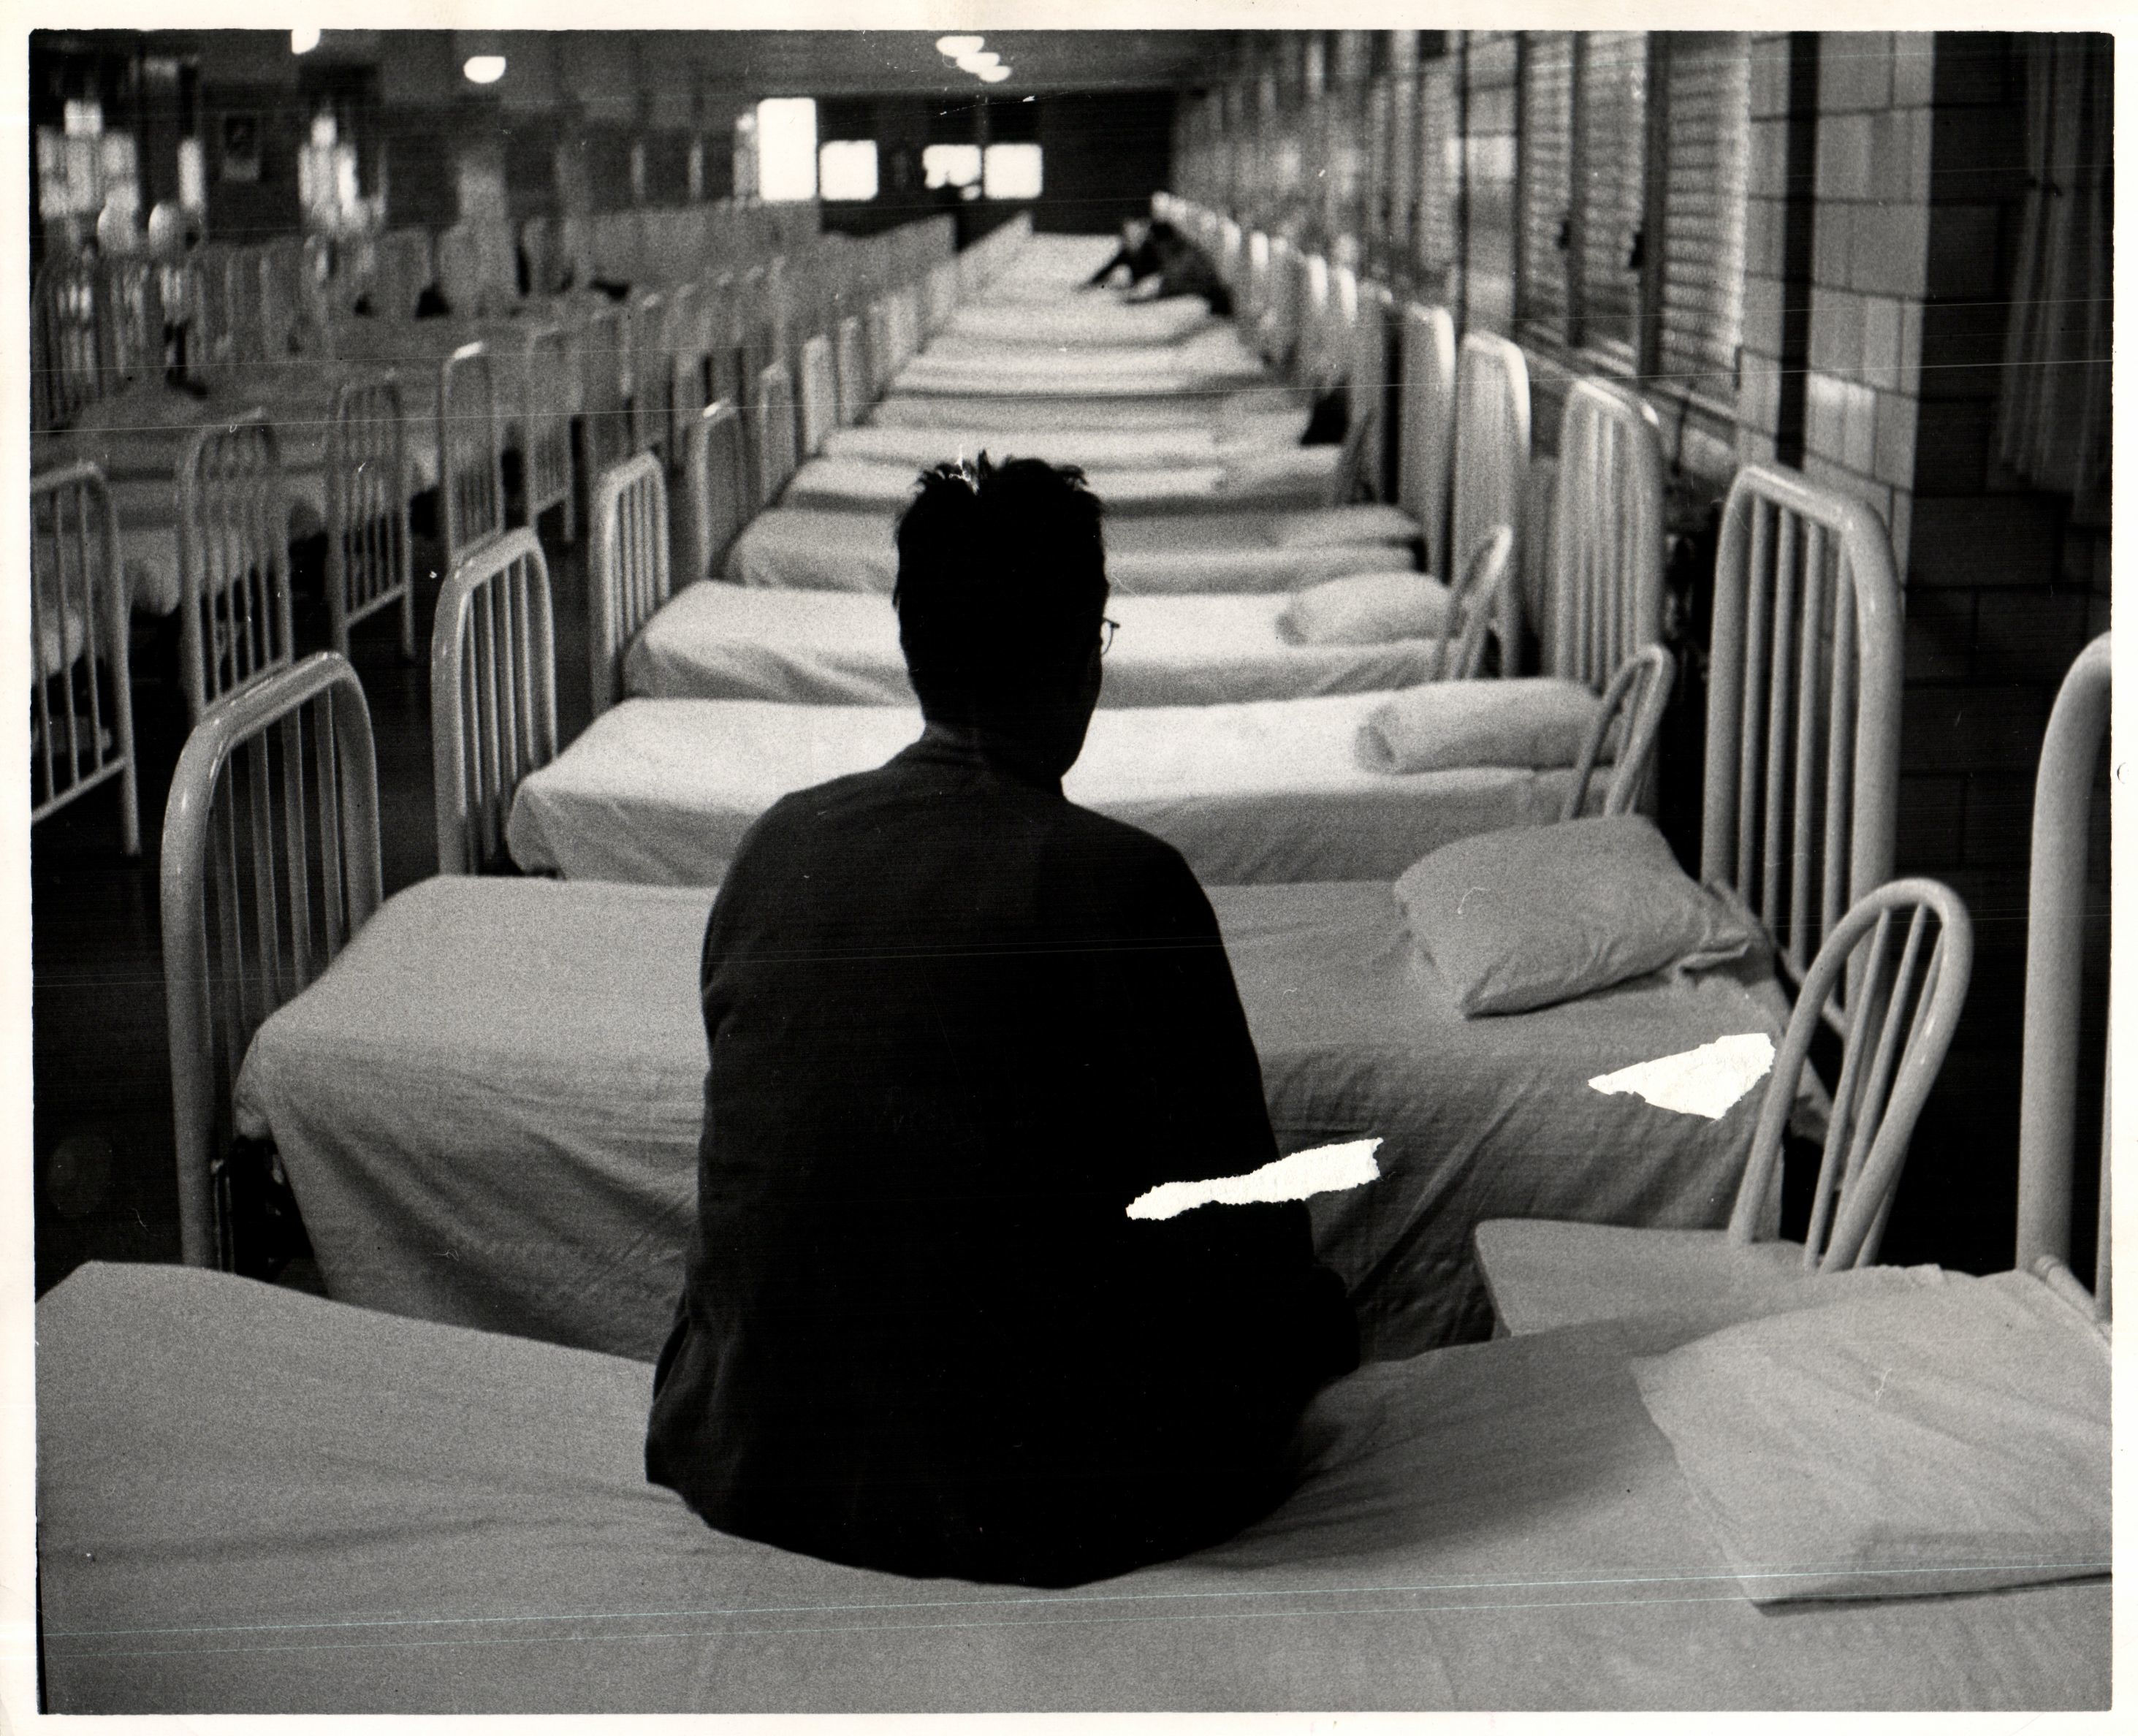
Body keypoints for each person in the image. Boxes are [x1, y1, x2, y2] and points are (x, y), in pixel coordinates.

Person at [646, 457, 1358, 1588]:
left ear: (913, 651)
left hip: (750, 1449)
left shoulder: (779, 843)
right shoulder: (1129, 886)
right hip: (1037, 1500)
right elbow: (1239, 1230)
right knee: (1295, 1318)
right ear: (1083, 660)